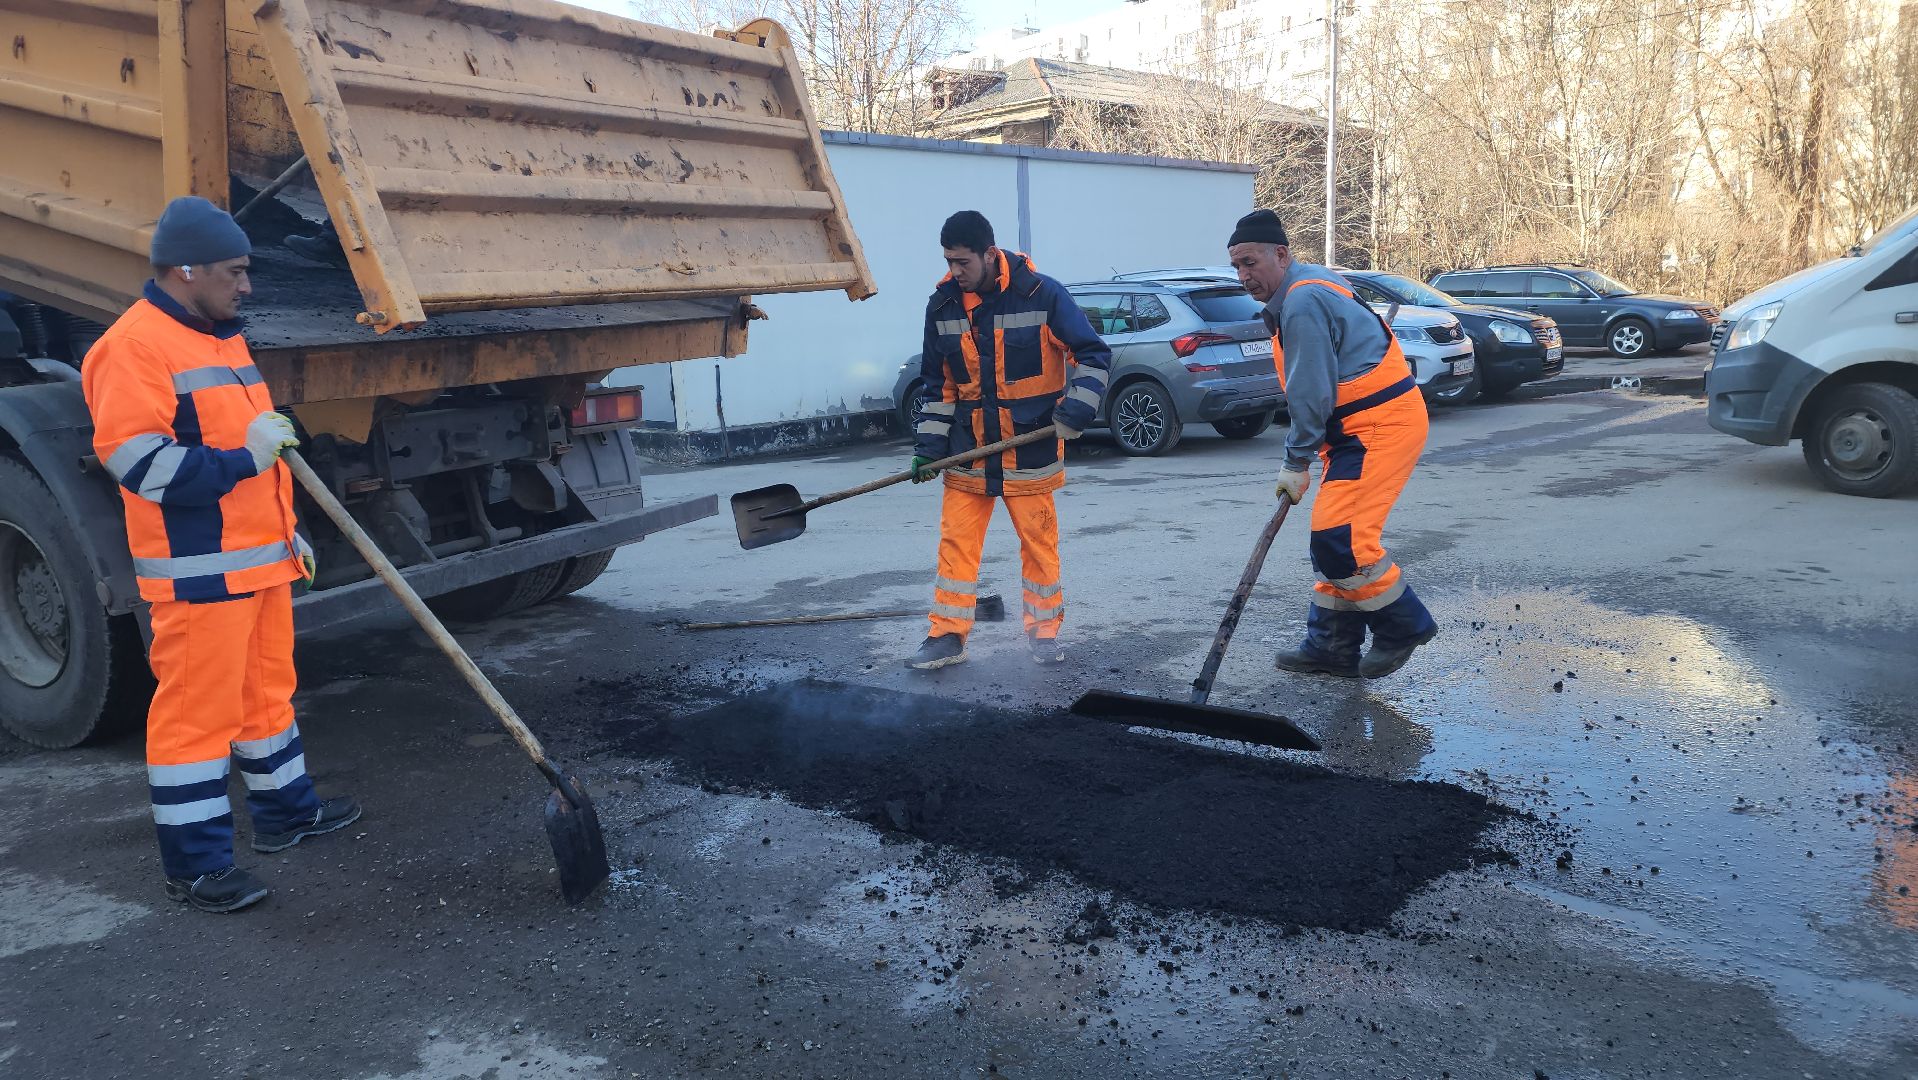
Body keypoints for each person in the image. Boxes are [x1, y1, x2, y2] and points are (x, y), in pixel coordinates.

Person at [82, 196, 360, 913]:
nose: (247, 286)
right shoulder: (132, 347)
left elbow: (257, 454)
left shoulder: (220, 338)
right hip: (201, 573)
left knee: (268, 697)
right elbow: (143, 467)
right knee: (196, 720)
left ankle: (286, 813)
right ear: (185, 270)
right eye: (234, 272)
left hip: (259, 560)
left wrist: (286, 530)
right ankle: (197, 868)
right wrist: (245, 458)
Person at [1226, 209, 1437, 678]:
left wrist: (1296, 461)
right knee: (1330, 538)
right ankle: (1331, 646)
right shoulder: (1306, 285)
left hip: (1378, 427)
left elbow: (1311, 392)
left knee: (1341, 539)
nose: (1243, 275)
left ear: (1281, 255)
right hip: (1357, 432)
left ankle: (1404, 625)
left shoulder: (1302, 302)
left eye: (1251, 263)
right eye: (1236, 266)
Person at [905, 211, 1112, 670]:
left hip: (1030, 450)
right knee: (955, 546)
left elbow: (1094, 354)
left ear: (989, 253)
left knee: (1039, 545)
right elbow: (938, 387)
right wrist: (928, 450)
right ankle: (946, 635)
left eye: (962, 262)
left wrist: (1076, 410)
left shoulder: (1042, 294)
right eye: (948, 261)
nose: (955, 271)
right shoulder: (942, 306)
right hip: (968, 452)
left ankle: (1044, 633)